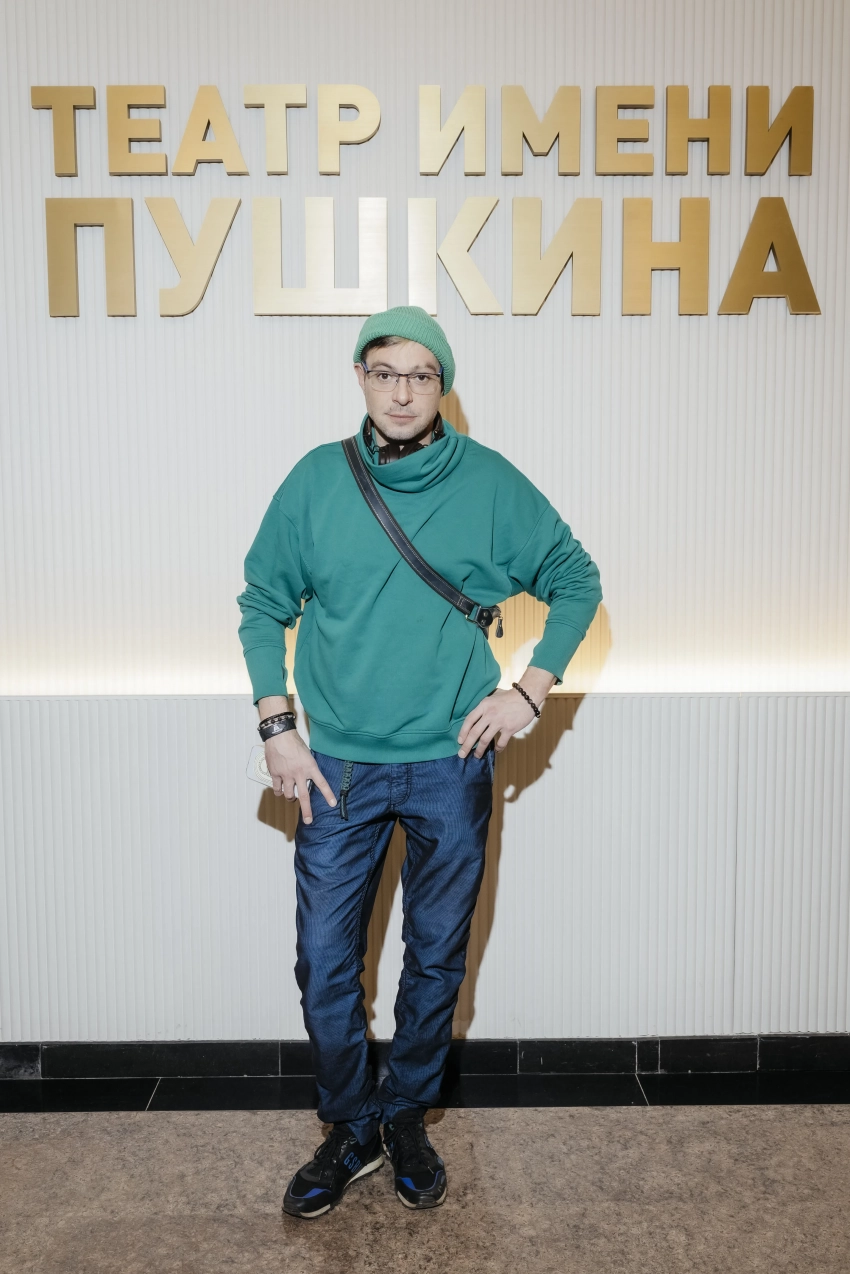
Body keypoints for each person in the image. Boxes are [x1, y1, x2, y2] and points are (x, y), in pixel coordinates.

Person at [236, 306, 602, 1218]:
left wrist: (529, 693)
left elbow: (576, 578)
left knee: (436, 958)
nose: (402, 392)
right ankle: (348, 1122)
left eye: (421, 374)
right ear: (360, 378)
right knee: (325, 963)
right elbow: (261, 603)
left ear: (444, 384)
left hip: (450, 762)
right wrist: (277, 725)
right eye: (385, 372)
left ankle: (404, 1116)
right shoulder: (317, 480)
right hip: (337, 766)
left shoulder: (488, 483)